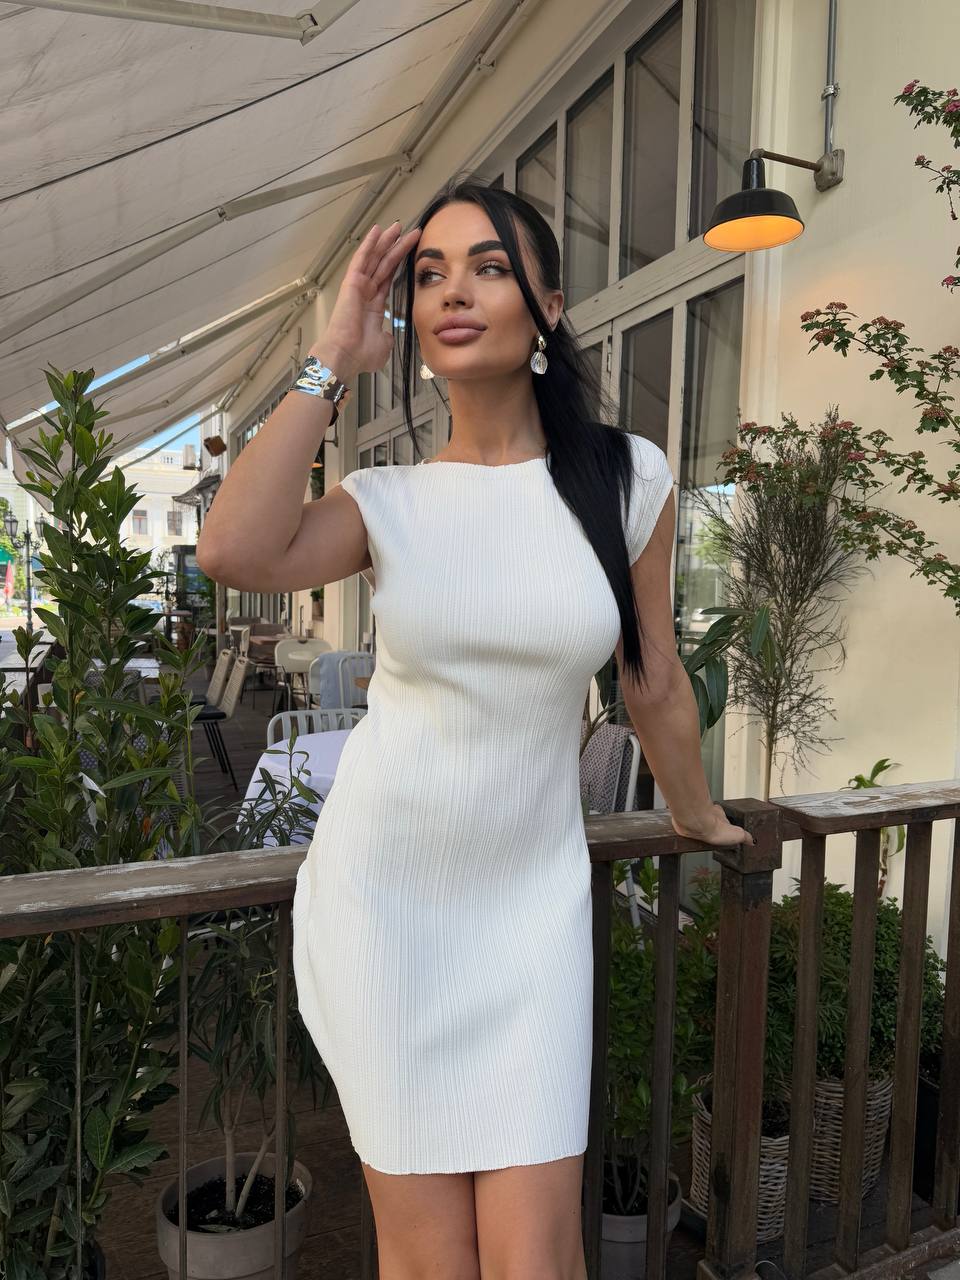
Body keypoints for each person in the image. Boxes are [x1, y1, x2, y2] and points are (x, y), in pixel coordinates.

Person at [196, 180, 754, 1280]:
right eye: (431, 274)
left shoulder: (625, 475)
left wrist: (702, 817)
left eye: (489, 266)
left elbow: (654, 680)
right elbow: (234, 551)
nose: (455, 291)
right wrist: (330, 356)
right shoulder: (385, 498)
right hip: (385, 906)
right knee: (427, 1256)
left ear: (548, 302)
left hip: (530, 912)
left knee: (538, 1253)